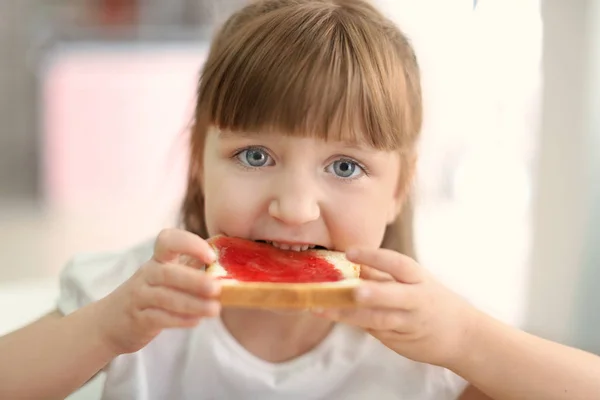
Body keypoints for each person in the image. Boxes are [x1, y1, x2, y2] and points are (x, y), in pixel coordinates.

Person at [1, 1, 600, 399]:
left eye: (345, 166)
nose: (294, 208)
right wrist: (105, 329)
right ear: (198, 163)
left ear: (399, 188)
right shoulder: (138, 293)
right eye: (256, 156)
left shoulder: (426, 337)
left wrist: (468, 342)